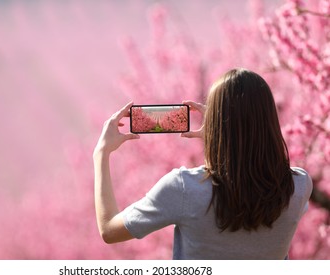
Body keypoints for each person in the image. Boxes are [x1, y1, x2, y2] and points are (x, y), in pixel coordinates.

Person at [93, 68, 312, 259]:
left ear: (216, 123)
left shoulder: (183, 189)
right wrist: (224, 135)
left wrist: (101, 154)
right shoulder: (299, 186)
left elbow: (109, 230)